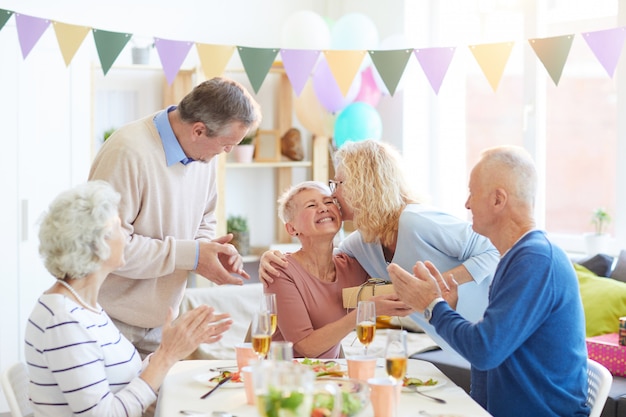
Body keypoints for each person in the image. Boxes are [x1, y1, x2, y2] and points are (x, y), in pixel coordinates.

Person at [388, 145, 590, 416]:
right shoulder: (518, 257)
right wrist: (446, 306)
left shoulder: (536, 260)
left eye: (472, 192)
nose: (467, 204)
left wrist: (432, 305)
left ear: (497, 200)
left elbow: (485, 350)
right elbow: (489, 355)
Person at [260, 140, 499, 351]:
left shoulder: (415, 221)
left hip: (492, 330)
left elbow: (493, 249)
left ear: (363, 185)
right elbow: (318, 262)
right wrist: (271, 258)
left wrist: (433, 286)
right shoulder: (362, 243)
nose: (334, 196)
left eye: (339, 184)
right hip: (455, 341)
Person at [25, 181, 233, 417]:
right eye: (117, 228)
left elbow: (125, 377)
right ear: (96, 245)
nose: (127, 235)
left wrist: (171, 347)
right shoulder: (63, 320)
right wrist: (166, 357)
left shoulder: (85, 305)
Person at [89, 77, 261, 357]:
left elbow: (205, 217)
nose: (227, 151)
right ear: (198, 130)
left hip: (162, 322)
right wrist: (191, 255)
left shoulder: (204, 155)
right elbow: (104, 247)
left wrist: (209, 251)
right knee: (120, 402)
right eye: (228, 144)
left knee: (162, 402)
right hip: (111, 321)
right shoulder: (128, 152)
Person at [266, 181, 412, 358]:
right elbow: (306, 348)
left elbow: (402, 289)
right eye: (311, 205)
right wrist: (366, 311)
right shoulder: (280, 269)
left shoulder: (354, 265)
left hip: (331, 377)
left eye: (328, 202)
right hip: (285, 377)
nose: (323, 208)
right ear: (292, 228)